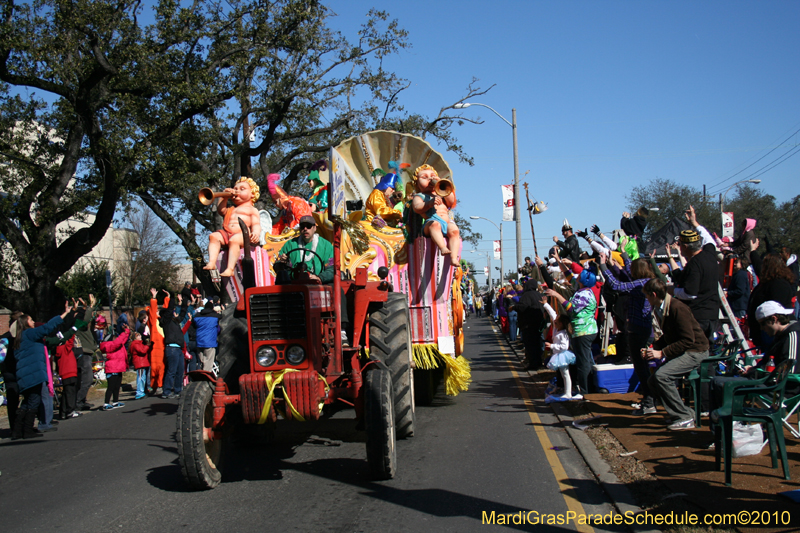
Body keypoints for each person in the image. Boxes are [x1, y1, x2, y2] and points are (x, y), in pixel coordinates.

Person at [641, 278, 709, 430]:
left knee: (662, 376)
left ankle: (684, 416)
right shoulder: (662, 307)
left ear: (653, 294)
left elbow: (688, 340)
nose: (646, 299)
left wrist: (662, 353)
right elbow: (670, 335)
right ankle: (681, 413)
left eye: (647, 295)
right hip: (686, 349)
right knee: (653, 381)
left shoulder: (677, 308)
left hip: (696, 350)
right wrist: (654, 348)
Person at [11, 300, 71, 440]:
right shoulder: (30, 334)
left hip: (24, 374)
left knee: (27, 401)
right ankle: (27, 430)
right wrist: (64, 314)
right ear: (25, 323)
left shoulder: (20, 339)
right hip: (34, 374)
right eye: (31, 320)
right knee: (34, 401)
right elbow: (47, 327)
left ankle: (17, 430)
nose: (33, 322)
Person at [545, 266, 598, 396]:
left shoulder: (584, 294)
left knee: (583, 362)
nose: (577, 276)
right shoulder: (582, 289)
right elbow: (570, 276)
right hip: (583, 330)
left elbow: (571, 308)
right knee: (584, 360)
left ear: (584, 280)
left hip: (584, 331)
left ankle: (585, 391)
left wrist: (556, 294)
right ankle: (585, 388)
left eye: (580, 275)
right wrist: (559, 261)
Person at [672, 206, 721, 343]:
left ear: (685, 247)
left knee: (695, 352)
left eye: (680, 244)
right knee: (707, 352)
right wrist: (695, 223)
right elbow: (709, 240)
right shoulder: (710, 255)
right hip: (712, 315)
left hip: (698, 316)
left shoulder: (695, 264)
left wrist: (672, 290)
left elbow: (691, 293)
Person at [204, 176, 262, 277]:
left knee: (234, 240)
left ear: (252, 194)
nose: (236, 191)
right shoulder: (231, 209)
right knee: (213, 236)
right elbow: (221, 210)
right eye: (235, 189)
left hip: (242, 235)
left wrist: (256, 233)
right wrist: (224, 196)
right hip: (227, 233)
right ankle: (212, 262)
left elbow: (256, 224)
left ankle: (230, 269)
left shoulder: (252, 210)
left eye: (242, 189)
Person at [411, 164, 460, 264]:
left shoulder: (441, 194)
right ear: (416, 183)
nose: (430, 179)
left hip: (446, 222)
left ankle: (454, 258)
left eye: (432, 176)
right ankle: (443, 247)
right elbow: (417, 208)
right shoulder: (419, 196)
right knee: (435, 225)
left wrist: (441, 184)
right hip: (431, 222)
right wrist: (429, 203)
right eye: (424, 177)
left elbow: (451, 201)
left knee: (454, 231)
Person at [746, 254, 796, 349]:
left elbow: (776, 308)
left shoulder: (778, 284)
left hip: (772, 328)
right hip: (765, 328)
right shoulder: (769, 283)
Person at [277, 215, 335, 283]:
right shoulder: (289, 244)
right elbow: (277, 266)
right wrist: (283, 263)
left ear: (315, 228)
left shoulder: (326, 246)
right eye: (302, 226)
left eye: (308, 226)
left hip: (318, 285)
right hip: (294, 285)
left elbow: (332, 269)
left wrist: (319, 278)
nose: (305, 229)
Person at [543, 296, 577, 399]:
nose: (554, 322)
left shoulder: (563, 334)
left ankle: (568, 392)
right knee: (562, 374)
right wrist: (545, 304)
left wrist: (552, 345)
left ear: (561, 324)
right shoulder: (556, 329)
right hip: (557, 354)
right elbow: (552, 314)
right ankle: (564, 389)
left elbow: (564, 346)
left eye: (556, 322)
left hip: (562, 355)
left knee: (565, 374)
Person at [159, 291, 186, 399]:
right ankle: (166, 391)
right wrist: (172, 297)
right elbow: (169, 310)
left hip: (178, 349)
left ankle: (178, 390)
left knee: (180, 371)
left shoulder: (175, 321)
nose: (174, 312)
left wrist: (184, 302)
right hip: (171, 348)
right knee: (172, 371)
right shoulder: (165, 322)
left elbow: (183, 314)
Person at [74, 295, 98, 411]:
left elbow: (90, 319)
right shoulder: (78, 325)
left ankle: (81, 401)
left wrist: (87, 307)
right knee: (87, 379)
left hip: (87, 352)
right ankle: (78, 401)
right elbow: (85, 320)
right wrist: (90, 306)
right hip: (83, 353)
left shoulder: (84, 326)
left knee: (85, 378)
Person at [99, 324, 130, 410]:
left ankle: (115, 401)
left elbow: (122, 341)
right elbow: (118, 341)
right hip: (112, 369)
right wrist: (123, 333)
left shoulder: (116, 345)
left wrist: (127, 332)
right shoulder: (109, 345)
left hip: (118, 368)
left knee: (117, 386)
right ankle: (106, 403)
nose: (116, 338)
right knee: (111, 387)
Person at [1, 311, 23, 429]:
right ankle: (20, 425)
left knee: (12, 400)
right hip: (16, 371)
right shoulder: (21, 338)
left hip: (9, 371)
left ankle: (15, 426)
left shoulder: (4, 338)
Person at [192, 299, 221, 371]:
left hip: (199, 342)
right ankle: (206, 380)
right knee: (208, 365)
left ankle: (201, 378)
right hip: (210, 343)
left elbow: (193, 326)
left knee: (202, 363)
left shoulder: (197, 317)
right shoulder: (215, 317)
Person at [147, 288, 166, 394]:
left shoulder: (161, 321)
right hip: (156, 349)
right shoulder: (153, 322)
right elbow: (152, 312)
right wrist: (154, 298)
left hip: (162, 347)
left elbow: (165, 311)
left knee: (162, 367)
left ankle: (160, 384)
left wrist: (167, 299)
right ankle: (156, 385)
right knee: (155, 367)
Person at [129, 331, 150, 400]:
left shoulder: (139, 343)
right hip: (140, 363)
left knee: (142, 378)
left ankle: (141, 391)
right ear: (135, 338)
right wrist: (147, 346)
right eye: (138, 336)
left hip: (142, 362)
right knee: (140, 378)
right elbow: (142, 351)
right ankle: (139, 392)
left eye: (140, 335)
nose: (140, 337)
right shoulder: (135, 344)